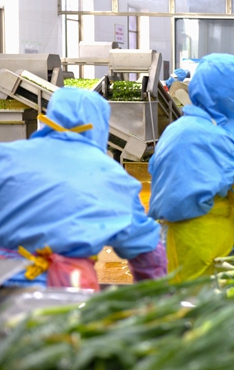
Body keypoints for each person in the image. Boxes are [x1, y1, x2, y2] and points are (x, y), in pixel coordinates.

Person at [0, 88, 165, 290]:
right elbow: (144, 248)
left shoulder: (7, 156)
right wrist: (158, 296)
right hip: (67, 289)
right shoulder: (112, 176)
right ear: (100, 126)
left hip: (4, 278)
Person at [149, 54, 234, 282]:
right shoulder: (213, 135)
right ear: (229, 97)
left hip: (173, 234)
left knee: (179, 294)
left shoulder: (179, 128)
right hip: (200, 237)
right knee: (197, 302)